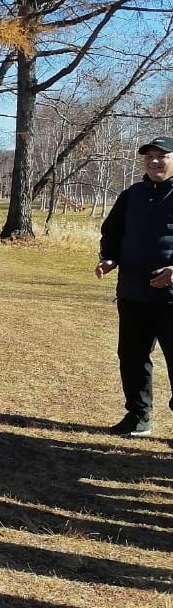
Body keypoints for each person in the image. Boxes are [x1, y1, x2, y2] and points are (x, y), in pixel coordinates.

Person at [96, 135, 173, 437]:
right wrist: (109, 258)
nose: (154, 161)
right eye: (149, 156)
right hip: (132, 295)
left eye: (162, 156)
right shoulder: (132, 195)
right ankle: (138, 417)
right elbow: (111, 232)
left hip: (170, 299)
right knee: (132, 357)